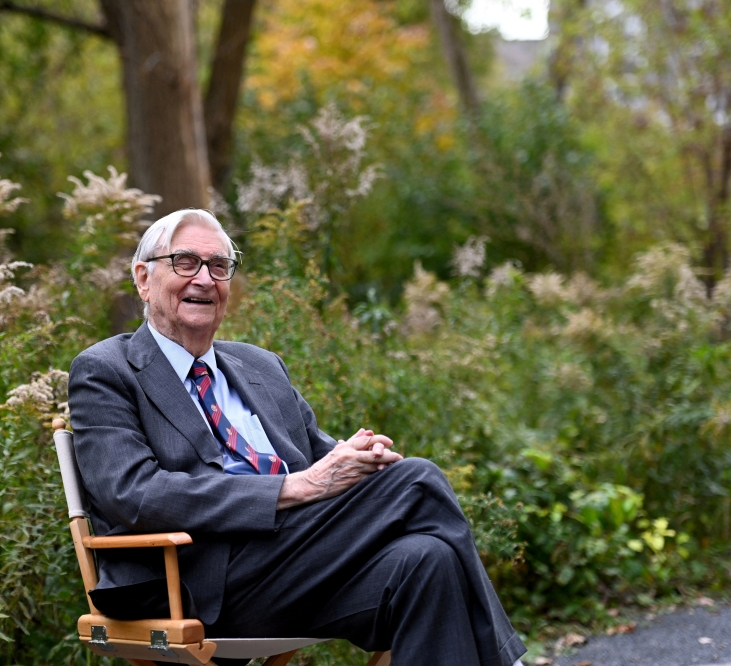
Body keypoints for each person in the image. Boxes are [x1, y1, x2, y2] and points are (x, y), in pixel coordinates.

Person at [68, 209, 526, 666]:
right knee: (418, 481)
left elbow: (320, 457)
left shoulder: (260, 366)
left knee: (428, 560)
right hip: (196, 578)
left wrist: (359, 458)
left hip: (296, 567)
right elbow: (133, 494)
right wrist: (293, 488)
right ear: (144, 278)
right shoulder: (107, 370)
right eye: (185, 262)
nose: (205, 279)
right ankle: (510, 662)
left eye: (219, 266)